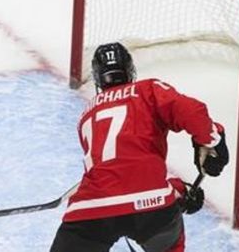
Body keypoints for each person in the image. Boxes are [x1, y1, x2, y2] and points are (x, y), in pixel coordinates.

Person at [49, 42, 229, 252]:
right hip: (151, 205)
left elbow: (116, 179)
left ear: (98, 78)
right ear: (129, 70)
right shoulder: (148, 90)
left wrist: (178, 191)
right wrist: (213, 140)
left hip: (93, 208)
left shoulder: (86, 115)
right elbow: (192, 112)